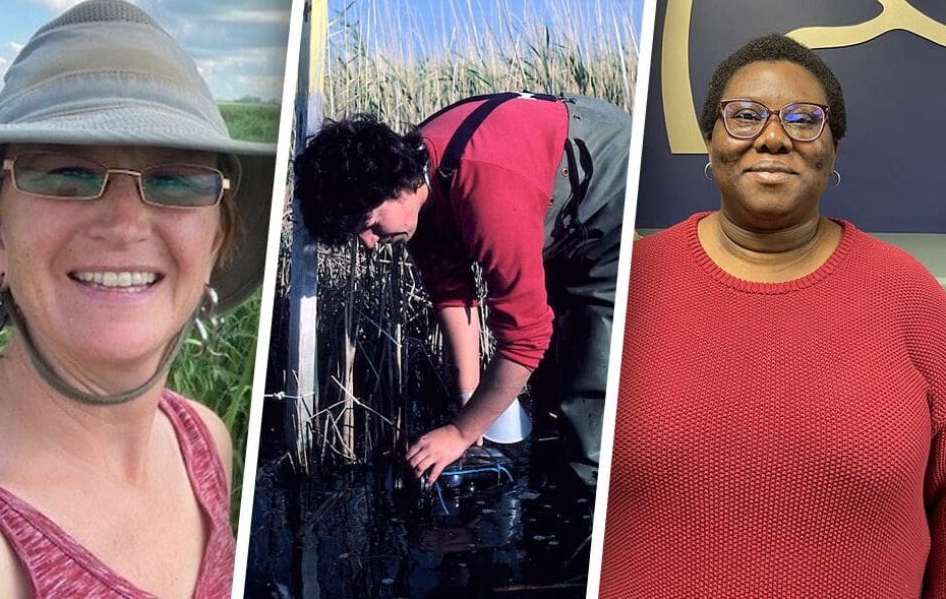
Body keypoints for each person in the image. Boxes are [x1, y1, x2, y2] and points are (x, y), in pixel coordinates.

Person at [0, 0, 275, 597]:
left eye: (175, 180)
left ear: (216, 237)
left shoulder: (202, 439)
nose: (124, 225)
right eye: (65, 174)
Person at [601, 34, 946, 596]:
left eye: (804, 119)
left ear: (833, 146)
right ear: (709, 139)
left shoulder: (908, 295)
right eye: (745, 116)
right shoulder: (629, 283)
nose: (773, 138)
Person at [293, 92, 630, 486]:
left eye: (369, 224)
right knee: (543, 381)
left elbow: (526, 338)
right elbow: (452, 294)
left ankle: (591, 508)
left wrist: (460, 433)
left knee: (590, 368)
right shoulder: (415, 188)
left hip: (612, 183)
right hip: (545, 187)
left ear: (395, 187)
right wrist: (468, 402)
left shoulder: (487, 191)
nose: (368, 242)